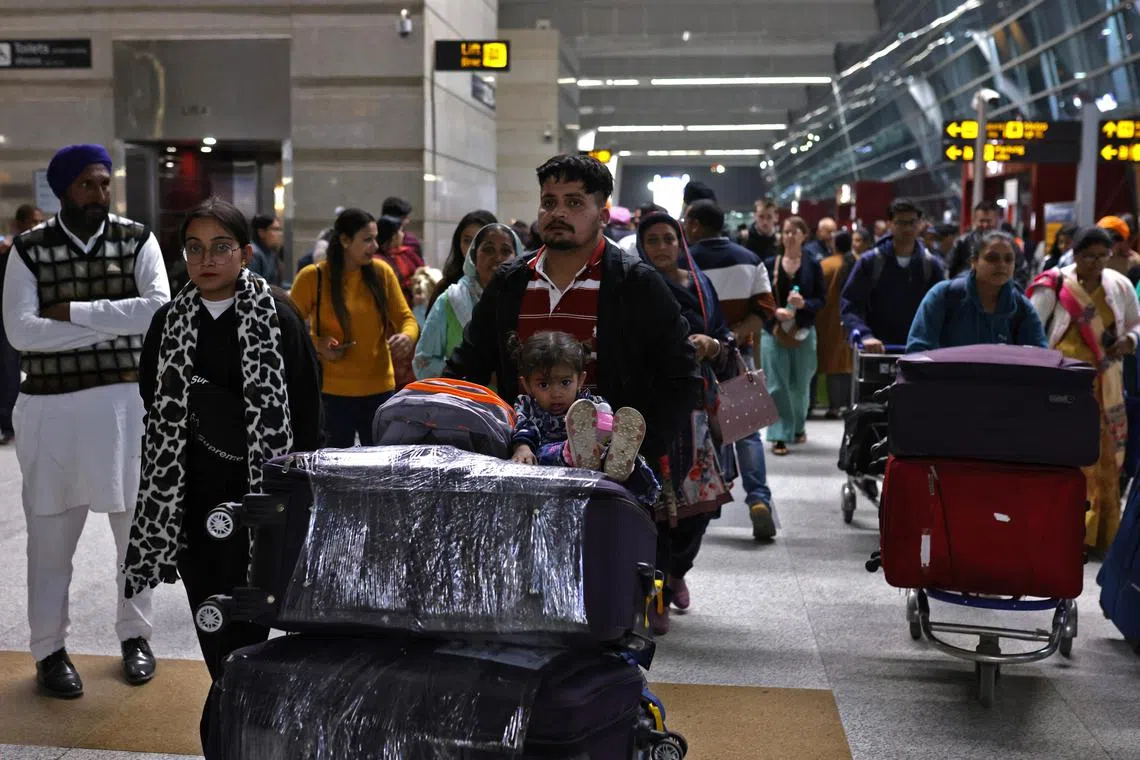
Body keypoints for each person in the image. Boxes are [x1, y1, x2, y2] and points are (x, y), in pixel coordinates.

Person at [122, 198, 321, 748]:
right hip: (188, 503)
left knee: (250, 626)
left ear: (245, 253)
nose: (206, 260)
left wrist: (300, 498)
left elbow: (307, 413)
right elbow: (152, 402)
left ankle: (233, 729)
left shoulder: (278, 316)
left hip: (258, 506)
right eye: (194, 248)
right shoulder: (168, 322)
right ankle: (237, 723)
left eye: (220, 248)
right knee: (211, 620)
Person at [3, 144, 171, 697]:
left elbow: (157, 312)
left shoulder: (138, 239)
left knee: (134, 538)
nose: (100, 195)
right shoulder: (29, 250)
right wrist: (115, 322)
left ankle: (135, 638)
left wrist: (73, 313)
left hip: (127, 410)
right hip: (51, 415)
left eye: (104, 184)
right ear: (62, 190)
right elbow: (21, 333)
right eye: (87, 185)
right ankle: (49, 651)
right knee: (50, 544)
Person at [444, 153, 701, 490]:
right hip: (524, 467)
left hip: (608, 481)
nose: (558, 213)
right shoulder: (510, 283)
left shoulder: (636, 283)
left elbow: (681, 376)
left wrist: (643, 449)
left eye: (575, 202)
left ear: (603, 215)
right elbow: (469, 364)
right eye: (549, 202)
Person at [639, 212, 736, 631]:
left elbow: (723, 335)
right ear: (642, 246)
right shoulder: (635, 285)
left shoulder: (700, 284)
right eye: (653, 240)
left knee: (700, 508)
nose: (662, 247)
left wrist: (711, 344)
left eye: (669, 239)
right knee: (656, 508)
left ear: (681, 242)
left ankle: (678, 571)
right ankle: (655, 592)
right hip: (655, 408)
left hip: (700, 411)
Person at [1029, 226, 1140, 555]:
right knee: (1066, 454)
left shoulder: (1117, 285)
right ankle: (1059, 530)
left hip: (1106, 383)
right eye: (1088, 256)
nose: (1095, 262)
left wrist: (1130, 341)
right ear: (1074, 255)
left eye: (1101, 256)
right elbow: (1034, 328)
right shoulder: (1055, 285)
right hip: (1064, 383)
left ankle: (1099, 535)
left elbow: (1136, 322)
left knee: (1105, 458)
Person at [683, 199, 779, 540]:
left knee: (698, 432)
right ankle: (758, 500)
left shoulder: (685, 262)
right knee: (747, 432)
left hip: (694, 360)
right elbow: (766, 308)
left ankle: (705, 502)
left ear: (695, 224)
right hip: (739, 356)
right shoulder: (750, 259)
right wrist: (732, 337)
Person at [290, 208, 419, 447]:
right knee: (335, 472)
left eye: (376, 238)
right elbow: (289, 331)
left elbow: (406, 318)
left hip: (380, 392)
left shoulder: (382, 273)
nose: (375, 246)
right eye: (367, 239)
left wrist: (407, 336)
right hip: (332, 396)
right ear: (344, 240)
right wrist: (318, 344)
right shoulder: (313, 277)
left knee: (380, 471)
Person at [508, 331, 658, 500]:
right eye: (544, 384)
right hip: (553, 464)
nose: (556, 393)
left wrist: (607, 439)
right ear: (527, 385)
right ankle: (572, 453)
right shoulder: (528, 406)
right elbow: (524, 427)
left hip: (597, 460)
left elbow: (605, 428)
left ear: (580, 380)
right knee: (543, 453)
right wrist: (522, 448)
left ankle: (621, 463)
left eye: (565, 382)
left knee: (611, 446)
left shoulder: (591, 404)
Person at [414, 222, 523, 379]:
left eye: (505, 251)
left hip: (512, 400)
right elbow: (423, 360)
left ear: (517, 257)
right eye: (488, 249)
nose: (497, 258)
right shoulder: (450, 300)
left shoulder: (526, 300)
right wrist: (471, 375)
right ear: (473, 256)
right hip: (461, 398)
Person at [907, 231, 1047, 352]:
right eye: (992, 258)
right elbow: (918, 350)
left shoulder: (1021, 307)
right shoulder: (943, 295)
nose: (1002, 265)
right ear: (973, 262)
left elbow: (1040, 357)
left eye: (1008, 259)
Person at [841, 198, 945, 354]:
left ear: (920, 224)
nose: (908, 228)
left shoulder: (931, 265)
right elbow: (850, 304)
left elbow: (942, 308)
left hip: (919, 351)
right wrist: (864, 335)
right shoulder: (870, 262)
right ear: (889, 224)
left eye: (912, 222)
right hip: (875, 352)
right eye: (901, 223)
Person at [762, 216, 826, 455]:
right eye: (786, 232)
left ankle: (797, 427)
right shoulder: (770, 264)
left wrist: (804, 304)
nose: (788, 236)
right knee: (777, 384)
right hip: (773, 330)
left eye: (794, 232)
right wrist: (774, 311)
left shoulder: (813, 264)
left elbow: (822, 299)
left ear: (803, 236)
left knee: (801, 383)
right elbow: (760, 296)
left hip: (804, 331)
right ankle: (779, 434)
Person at [0, 205, 45, 445]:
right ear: (19, 224)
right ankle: (8, 424)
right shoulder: (10, 251)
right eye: (31, 221)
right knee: (9, 371)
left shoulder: (42, 251)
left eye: (39, 221)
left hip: (37, 319)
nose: (35, 227)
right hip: (9, 319)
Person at [816, 230, 856, 417]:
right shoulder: (858, 263)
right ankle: (848, 404)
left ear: (834, 244)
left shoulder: (826, 265)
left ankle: (831, 406)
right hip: (851, 321)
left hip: (826, 322)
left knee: (828, 363)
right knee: (847, 363)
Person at [946, 200, 1030, 289]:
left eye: (989, 221)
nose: (985, 225)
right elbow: (949, 269)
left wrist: (1011, 291)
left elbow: (1022, 272)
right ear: (974, 220)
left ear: (996, 220)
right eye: (981, 221)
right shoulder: (962, 242)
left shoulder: (1009, 243)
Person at [428, 210, 498, 311]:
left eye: (480, 241)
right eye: (467, 241)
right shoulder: (446, 288)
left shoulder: (508, 286)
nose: (472, 248)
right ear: (458, 243)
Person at [248, 214, 284, 286]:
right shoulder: (253, 254)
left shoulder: (270, 252)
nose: (280, 234)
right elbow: (253, 286)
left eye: (280, 230)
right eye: (275, 229)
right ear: (261, 233)